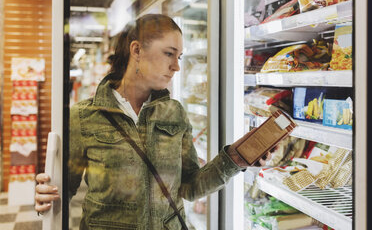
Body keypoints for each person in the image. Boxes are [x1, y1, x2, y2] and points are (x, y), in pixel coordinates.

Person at [35, 14, 272, 230]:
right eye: (169, 53)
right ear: (136, 50)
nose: (176, 66)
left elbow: (189, 187)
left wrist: (234, 159)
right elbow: (62, 189)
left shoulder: (174, 112)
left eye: (179, 57)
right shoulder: (84, 116)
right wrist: (44, 195)